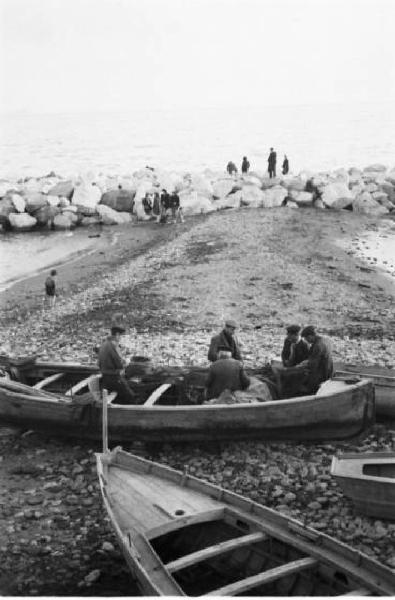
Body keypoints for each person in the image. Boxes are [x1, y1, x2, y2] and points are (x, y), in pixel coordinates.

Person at [97, 323, 137, 404]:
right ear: (117, 334)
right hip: (114, 377)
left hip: (105, 378)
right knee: (131, 396)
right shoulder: (113, 345)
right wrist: (127, 361)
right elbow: (120, 364)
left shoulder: (104, 344)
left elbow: (99, 363)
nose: (121, 338)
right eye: (122, 336)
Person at [299, 326, 334, 394]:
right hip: (329, 371)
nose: (306, 340)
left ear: (311, 336)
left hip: (321, 374)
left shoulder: (318, 345)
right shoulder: (326, 340)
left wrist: (303, 367)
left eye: (306, 338)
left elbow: (313, 365)